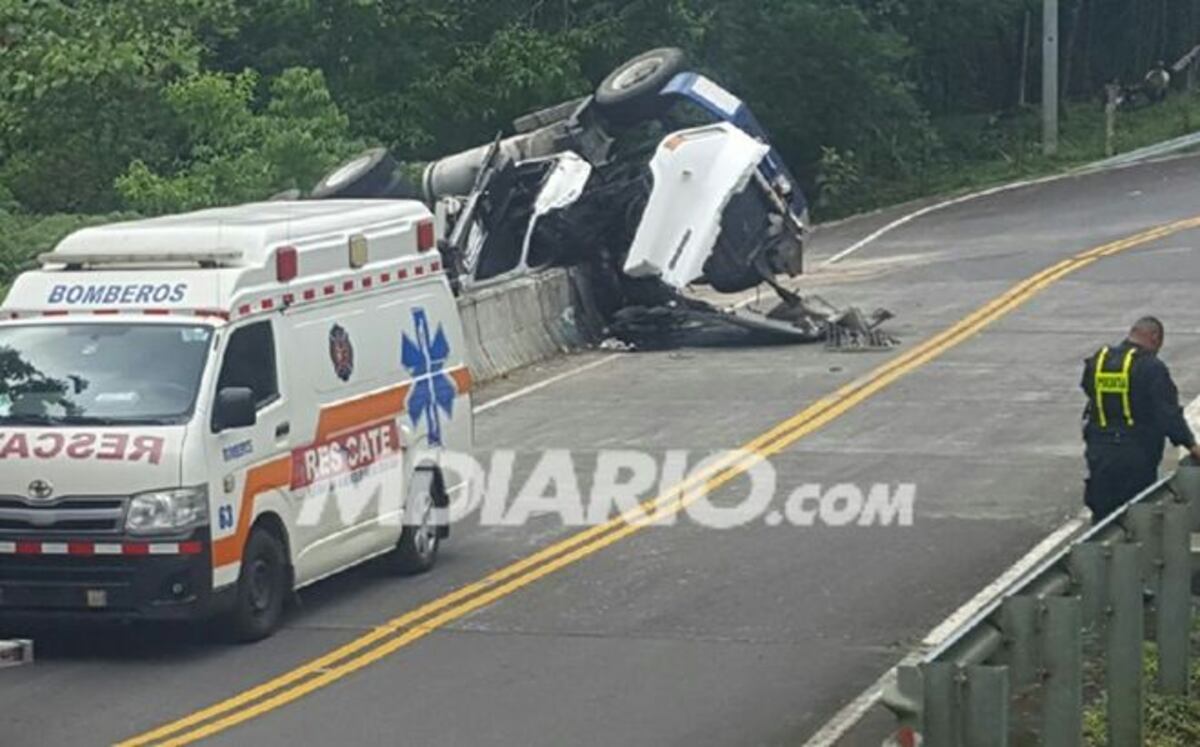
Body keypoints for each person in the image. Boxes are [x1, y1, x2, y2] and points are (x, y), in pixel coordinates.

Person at [1081, 316, 1200, 522]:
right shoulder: (1151, 367)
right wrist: (1191, 445)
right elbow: (1168, 414)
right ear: (1154, 337)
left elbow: (1087, 388)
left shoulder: (1100, 360)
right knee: (1137, 515)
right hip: (1135, 453)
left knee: (1103, 513)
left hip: (1099, 449)